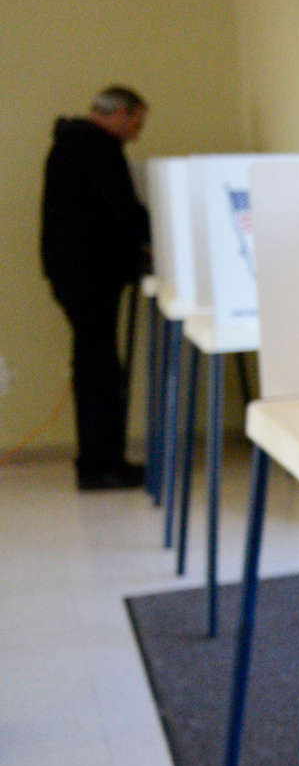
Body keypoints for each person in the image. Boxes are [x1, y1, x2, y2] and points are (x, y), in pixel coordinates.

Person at [41, 85, 151, 490]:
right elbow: (122, 211)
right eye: (136, 122)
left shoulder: (72, 144)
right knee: (99, 372)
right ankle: (100, 467)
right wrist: (157, 240)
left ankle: (101, 461)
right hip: (90, 277)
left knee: (95, 368)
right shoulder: (98, 149)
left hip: (73, 275)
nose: (137, 133)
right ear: (118, 113)